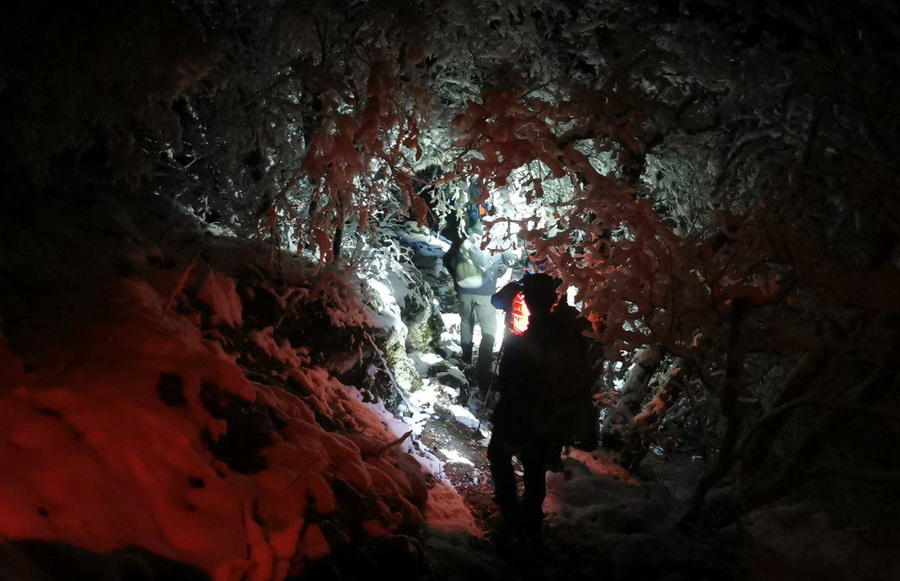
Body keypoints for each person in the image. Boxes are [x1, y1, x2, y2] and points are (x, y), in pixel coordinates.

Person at [487, 273, 596, 534]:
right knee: (534, 465)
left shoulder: (526, 338)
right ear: (553, 300)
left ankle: (511, 515)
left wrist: (504, 415)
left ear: (527, 300)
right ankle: (531, 518)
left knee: (498, 455)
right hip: (555, 413)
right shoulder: (568, 332)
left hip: (526, 412)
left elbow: (512, 383)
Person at [443, 223, 515, 401]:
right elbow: (511, 260)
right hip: (486, 294)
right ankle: (483, 366)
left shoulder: (464, 241)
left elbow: (447, 260)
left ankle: (466, 358)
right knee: (489, 329)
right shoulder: (497, 241)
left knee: (466, 321)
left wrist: (457, 280)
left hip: (464, 292)